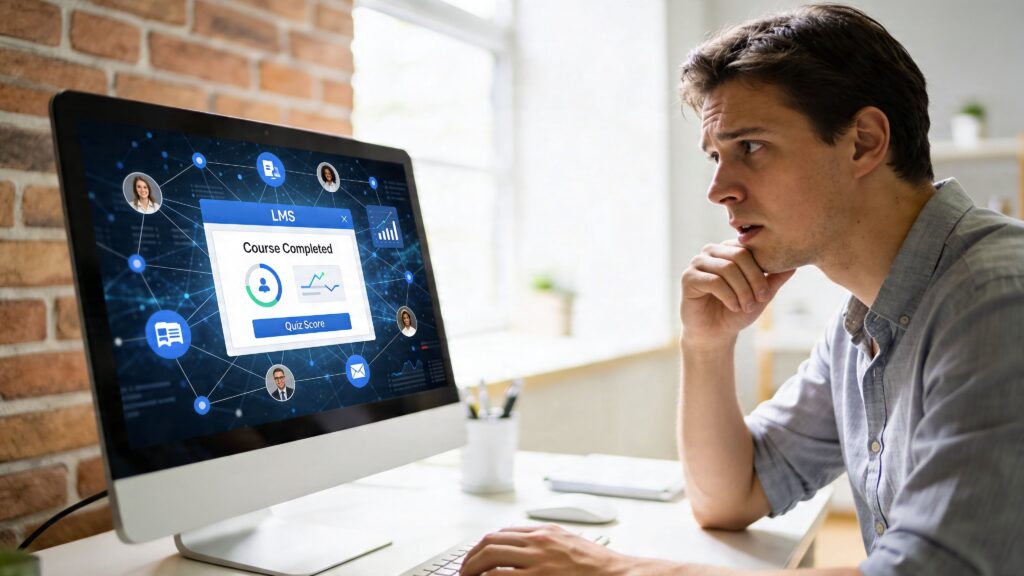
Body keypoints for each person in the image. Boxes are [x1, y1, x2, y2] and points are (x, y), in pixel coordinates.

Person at [459, 5, 1024, 576]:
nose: (718, 190)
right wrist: (705, 345)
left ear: (863, 142)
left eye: (749, 147)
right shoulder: (864, 323)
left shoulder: (997, 299)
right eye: (715, 156)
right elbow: (728, 497)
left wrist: (615, 570)